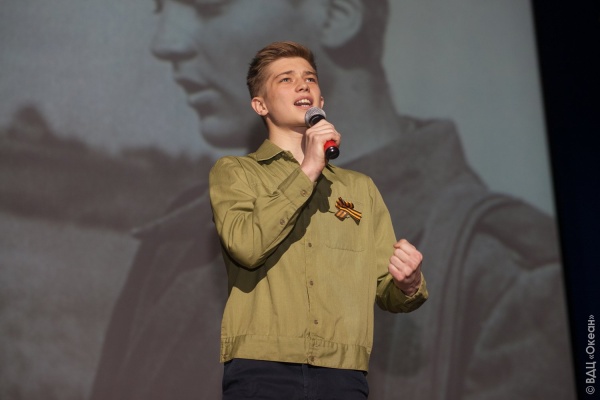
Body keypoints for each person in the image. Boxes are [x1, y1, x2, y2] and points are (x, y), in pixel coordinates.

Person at [91, 1, 575, 399]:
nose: (164, 42)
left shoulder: (506, 279)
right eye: (159, 7)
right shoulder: (187, 233)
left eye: (207, 6)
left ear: (338, 14)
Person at [208, 41, 428, 399]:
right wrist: (308, 169)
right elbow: (246, 247)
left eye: (310, 78)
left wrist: (408, 284)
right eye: (286, 79)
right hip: (261, 366)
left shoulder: (359, 188)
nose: (302, 85)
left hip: (342, 372)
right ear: (260, 105)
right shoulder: (236, 172)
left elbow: (385, 289)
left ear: (320, 103)